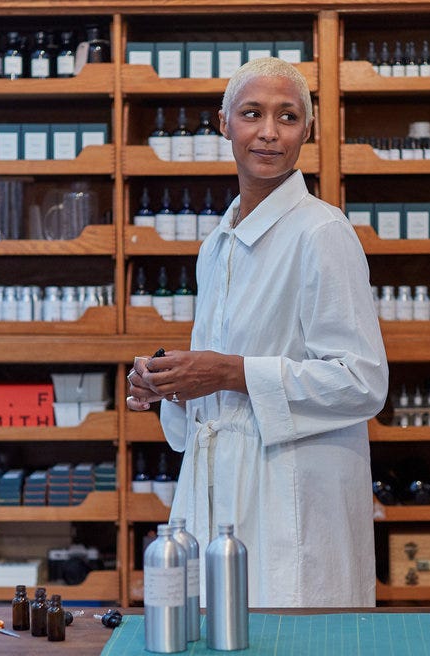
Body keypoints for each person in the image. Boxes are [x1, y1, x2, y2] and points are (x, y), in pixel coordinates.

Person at [126, 57, 388, 607]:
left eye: (287, 117)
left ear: (307, 132)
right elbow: (212, 389)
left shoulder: (322, 232)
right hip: (219, 491)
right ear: (224, 124)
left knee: (295, 639)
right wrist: (170, 386)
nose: (269, 132)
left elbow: (363, 381)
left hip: (293, 496)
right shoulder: (217, 243)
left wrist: (230, 371)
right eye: (252, 114)